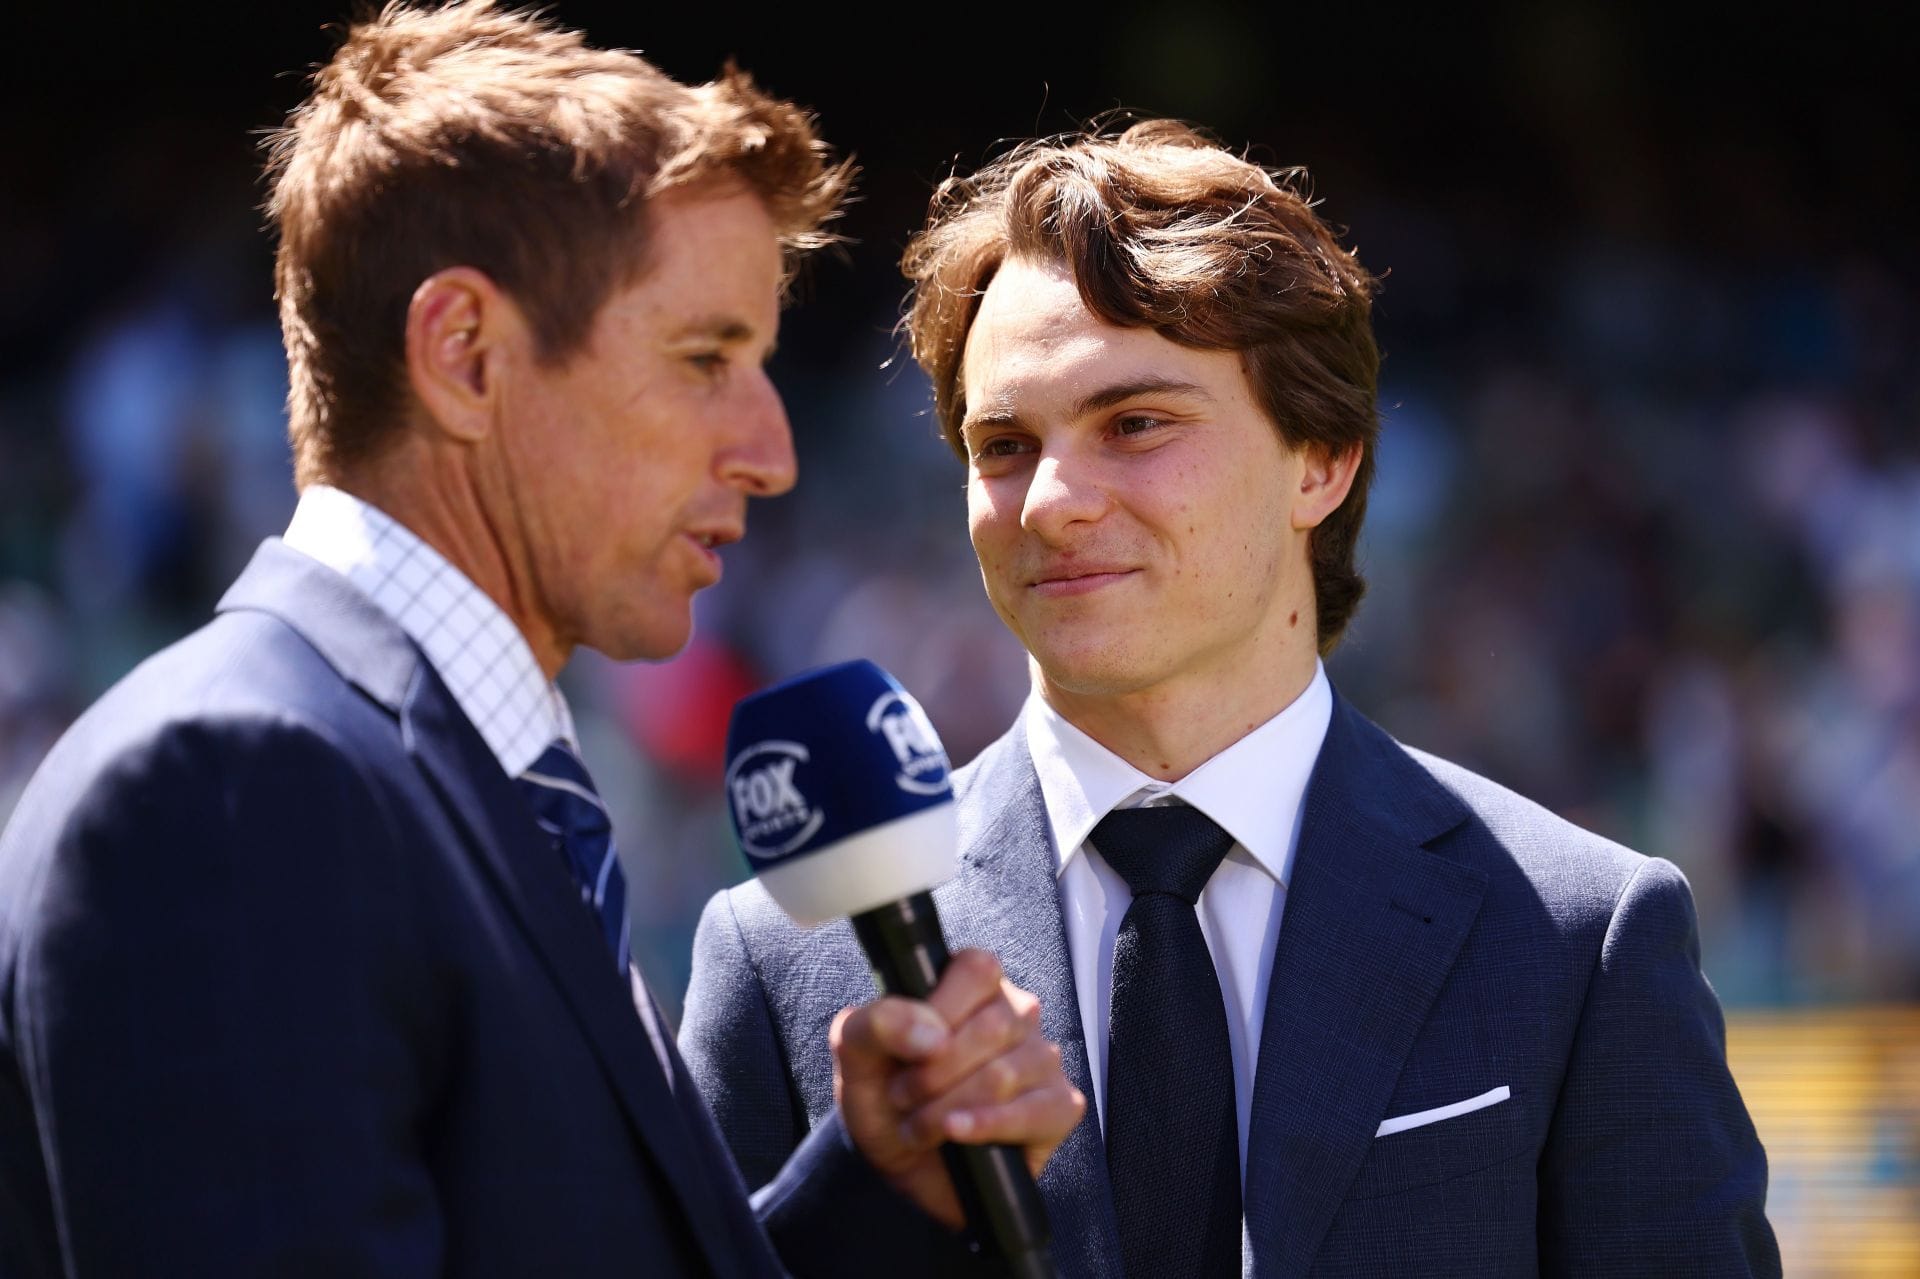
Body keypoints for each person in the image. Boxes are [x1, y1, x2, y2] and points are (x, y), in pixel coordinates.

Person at [0, 3, 1084, 1276]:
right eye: (703, 358)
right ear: (464, 355)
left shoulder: (441, 778)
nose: (772, 450)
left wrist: (866, 1196)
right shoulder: (240, 787)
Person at [679, 119, 1782, 1275]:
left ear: (1321, 458)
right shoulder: (781, 960)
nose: (1051, 500)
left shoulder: (1579, 936)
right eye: (1002, 444)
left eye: (1135, 424)